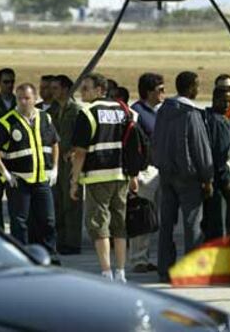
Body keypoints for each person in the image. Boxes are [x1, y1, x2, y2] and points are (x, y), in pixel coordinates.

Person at [70, 72, 138, 282]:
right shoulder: (124, 109)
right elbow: (132, 145)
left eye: (86, 88)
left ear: (100, 90)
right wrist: (133, 174)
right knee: (119, 225)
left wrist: (74, 180)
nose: (82, 92)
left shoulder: (88, 113)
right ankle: (121, 271)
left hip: (96, 177)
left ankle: (106, 271)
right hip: (121, 175)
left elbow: (80, 152)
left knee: (99, 225)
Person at [152, 71, 213, 283]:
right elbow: (200, 149)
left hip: (166, 174)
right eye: (197, 86)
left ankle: (164, 269)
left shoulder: (163, 111)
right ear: (189, 88)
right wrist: (207, 177)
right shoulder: (191, 113)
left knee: (166, 223)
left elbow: (156, 141)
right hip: (188, 177)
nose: (198, 90)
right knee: (192, 224)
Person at [0, 83, 59, 258]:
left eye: (27, 98)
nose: (23, 102)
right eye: (20, 98)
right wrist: (5, 174)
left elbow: (55, 142)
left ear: (35, 98)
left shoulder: (45, 118)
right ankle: (22, 258)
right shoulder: (6, 122)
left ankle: (50, 257)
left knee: (48, 221)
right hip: (18, 182)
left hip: (42, 180)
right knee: (19, 223)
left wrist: (55, 168)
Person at [129, 73, 164, 273]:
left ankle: (151, 256)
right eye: (160, 90)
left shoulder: (161, 112)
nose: (163, 94)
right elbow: (133, 145)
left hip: (161, 169)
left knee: (155, 217)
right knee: (142, 216)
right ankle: (138, 259)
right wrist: (134, 174)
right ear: (149, 92)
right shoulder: (136, 113)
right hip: (145, 172)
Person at [51, 74, 83, 255]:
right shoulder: (54, 110)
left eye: (56, 88)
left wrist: (74, 150)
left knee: (72, 202)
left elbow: (83, 135)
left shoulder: (76, 110)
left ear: (65, 89)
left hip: (71, 161)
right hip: (57, 161)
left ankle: (72, 242)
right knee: (58, 201)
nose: (52, 91)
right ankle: (61, 239)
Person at [203, 87, 230, 240]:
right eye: (223, 101)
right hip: (218, 182)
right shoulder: (219, 122)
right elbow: (220, 155)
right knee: (219, 226)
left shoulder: (206, 117)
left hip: (206, 179)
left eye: (229, 101)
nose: (226, 105)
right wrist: (227, 182)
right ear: (214, 100)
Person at [0, 67, 16, 229]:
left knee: (17, 201)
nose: (9, 85)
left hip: (16, 157)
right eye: (6, 82)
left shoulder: (20, 102)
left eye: (12, 82)